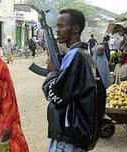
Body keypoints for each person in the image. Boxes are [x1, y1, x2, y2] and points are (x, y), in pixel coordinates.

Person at [42, 9, 106, 152]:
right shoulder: (83, 55)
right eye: (56, 26)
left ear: (75, 28)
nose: (57, 30)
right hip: (75, 135)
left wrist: (52, 72)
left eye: (61, 26)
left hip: (68, 137)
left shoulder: (75, 56)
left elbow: (56, 95)